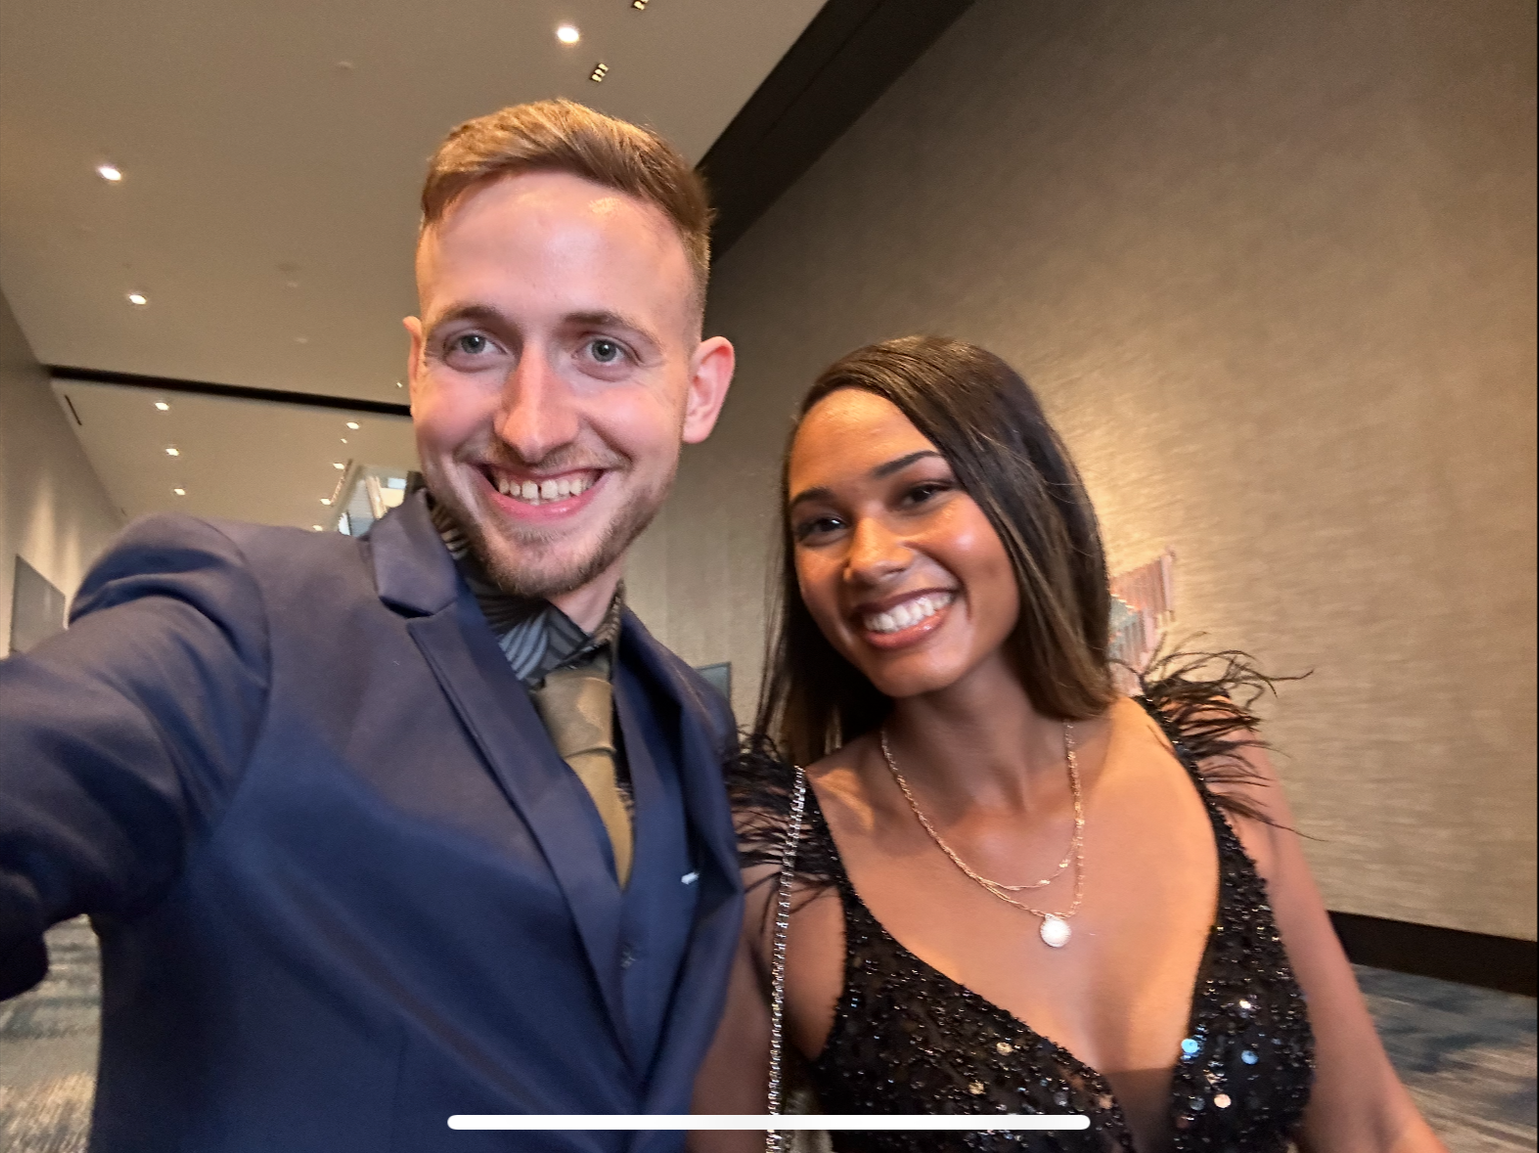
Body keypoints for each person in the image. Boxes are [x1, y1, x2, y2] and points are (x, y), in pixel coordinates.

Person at [0, 99, 740, 1153]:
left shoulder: (691, 716)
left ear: (699, 390)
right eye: (476, 342)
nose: (531, 425)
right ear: (416, 364)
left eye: (605, 349)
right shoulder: (237, 624)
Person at [691, 337, 1445, 1152]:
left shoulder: (1212, 757)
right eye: (824, 524)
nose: (868, 559)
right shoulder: (772, 852)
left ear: (1024, 496)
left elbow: (1372, 1125)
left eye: (920, 492)